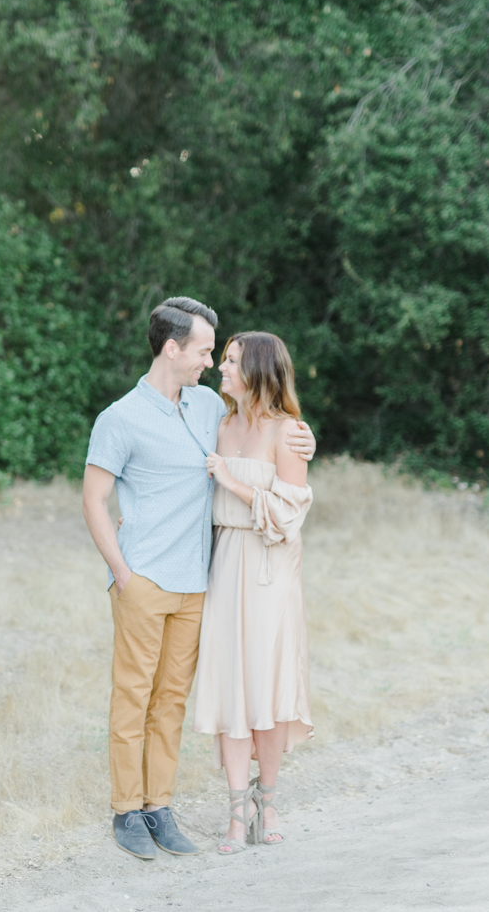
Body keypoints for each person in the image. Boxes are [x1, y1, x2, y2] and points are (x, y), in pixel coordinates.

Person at [82, 298, 316, 861]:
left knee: (172, 703)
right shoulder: (119, 418)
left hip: (199, 582)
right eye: (204, 351)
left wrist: (304, 439)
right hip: (143, 579)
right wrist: (121, 571)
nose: (211, 363)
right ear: (172, 348)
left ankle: (159, 807)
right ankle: (126, 811)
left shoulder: (210, 406)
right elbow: (94, 500)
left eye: (218, 354)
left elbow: (263, 429)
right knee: (133, 697)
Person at [193, 331, 314, 854]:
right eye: (222, 359)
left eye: (232, 360)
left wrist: (233, 482)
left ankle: (269, 798)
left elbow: (287, 516)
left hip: (270, 570)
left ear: (259, 370)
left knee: (264, 689)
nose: (222, 368)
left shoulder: (289, 434)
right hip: (227, 563)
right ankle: (237, 810)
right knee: (230, 687)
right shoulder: (219, 424)